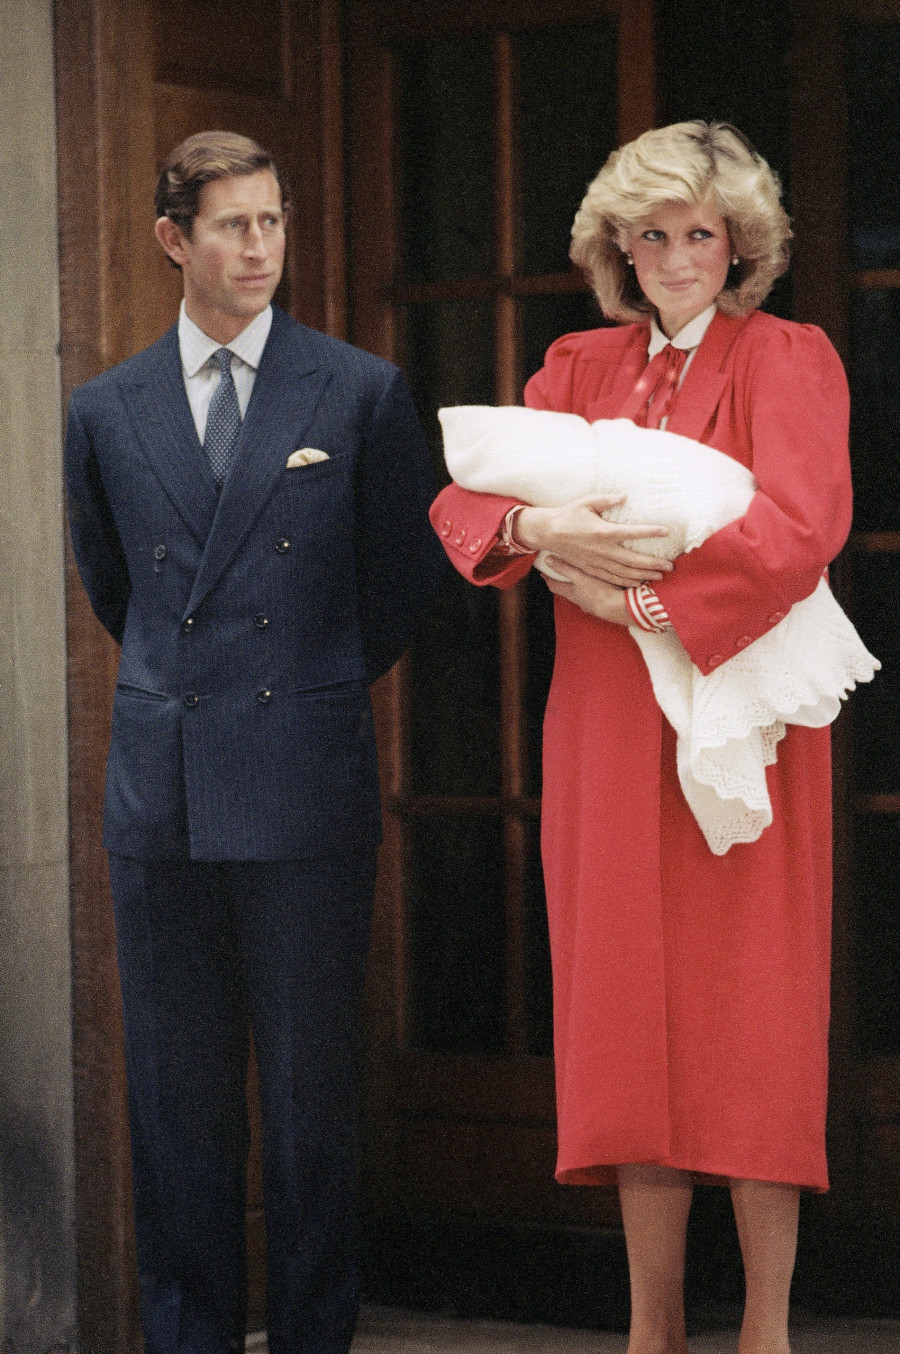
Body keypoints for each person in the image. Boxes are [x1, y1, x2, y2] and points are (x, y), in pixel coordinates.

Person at [430, 121, 852, 1354]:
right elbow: (463, 505)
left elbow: (803, 527)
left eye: (701, 235)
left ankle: (766, 1328)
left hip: (744, 713)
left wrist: (645, 598)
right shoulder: (576, 364)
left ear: (742, 245)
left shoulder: (789, 355)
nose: (676, 260)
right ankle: (648, 1326)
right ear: (620, 245)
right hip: (609, 721)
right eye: (653, 235)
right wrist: (541, 526)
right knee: (627, 1010)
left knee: (755, 1011)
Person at [65, 130, 445, 1354]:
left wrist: (306, 682)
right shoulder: (105, 408)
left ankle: (315, 1336)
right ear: (174, 239)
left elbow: (397, 589)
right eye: (233, 225)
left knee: (308, 1110)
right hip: (163, 796)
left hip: (303, 781)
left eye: (274, 221)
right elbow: (115, 587)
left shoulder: (360, 391)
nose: (260, 247)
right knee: (176, 1110)